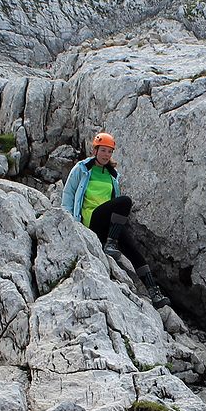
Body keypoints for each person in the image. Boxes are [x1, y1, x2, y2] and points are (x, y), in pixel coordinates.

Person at [61, 131, 167, 307]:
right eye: (103, 150)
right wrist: (69, 223)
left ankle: (154, 291)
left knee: (132, 248)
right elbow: (69, 194)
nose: (106, 155)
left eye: (109, 152)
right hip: (90, 219)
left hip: (107, 224)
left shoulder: (112, 175)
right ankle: (110, 243)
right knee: (125, 201)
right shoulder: (82, 169)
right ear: (94, 150)